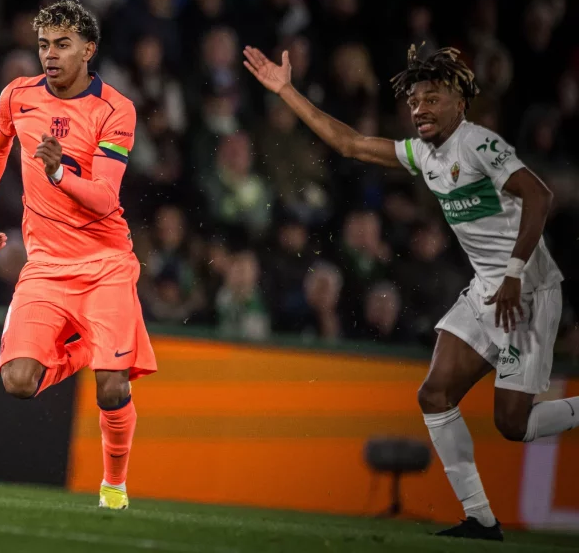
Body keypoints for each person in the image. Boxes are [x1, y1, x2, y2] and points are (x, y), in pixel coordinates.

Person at [244, 44, 575, 541]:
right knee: (434, 395)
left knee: (513, 424)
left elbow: (539, 196)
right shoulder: (424, 154)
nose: (420, 109)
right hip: (489, 288)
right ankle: (480, 519)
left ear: (459, 103)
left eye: (432, 99)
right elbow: (351, 143)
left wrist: (512, 273)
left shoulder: (479, 144)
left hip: (526, 291)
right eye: (415, 101)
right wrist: (287, 90)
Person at [0, 0, 156, 510]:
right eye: (43, 45)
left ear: (88, 49)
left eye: (62, 44)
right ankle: (86, 348)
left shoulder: (116, 109)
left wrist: (58, 174)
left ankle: (113, 488)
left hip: (106, 264)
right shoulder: (18, 96)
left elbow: (106, 198)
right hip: (47, 267)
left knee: (112, 389)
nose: (49, 55)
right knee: (17, 382)